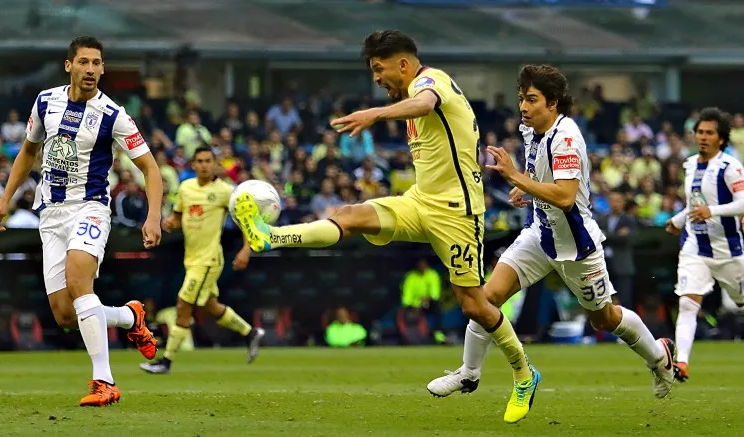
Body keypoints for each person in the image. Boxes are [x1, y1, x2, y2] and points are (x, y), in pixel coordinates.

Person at [231, 29, 524, 412]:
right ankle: (270, 236)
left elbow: (425, 103)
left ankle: (523, 373)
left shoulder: (430, 81)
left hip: (457, 212)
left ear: (402, 63)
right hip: (420, 200)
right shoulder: (414, 90)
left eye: (378, 68)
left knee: (474, 305)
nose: (376, 78)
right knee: (350, 216)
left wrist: (375, 114)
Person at [426, 65, 676, 423]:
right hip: (539, 234)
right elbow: (544, 179)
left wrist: (516, 178)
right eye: (521, 99)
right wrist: (526, 190)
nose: (523, 107)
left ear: (553, 102)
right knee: (485, 298)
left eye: (532, 99)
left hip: (575, 245)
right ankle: (469, 373)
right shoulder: (532, 129)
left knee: (604, 319)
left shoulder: (567, 137)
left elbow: (565, 197)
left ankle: (659, 357)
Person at [0, 36, 163, 407]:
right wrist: (4, 200)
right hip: (51, 214)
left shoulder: (113, 114)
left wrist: (153, 216)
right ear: (69, 66)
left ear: (103, 69)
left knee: (79, 282)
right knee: (66, 314)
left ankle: (104, 381)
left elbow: (150, 168)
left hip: (90, 208)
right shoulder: (45, 102)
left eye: (97, 63)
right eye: (83, 62)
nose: (90, 69)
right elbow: (28, 152)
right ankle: (129, 317)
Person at [140, 146, 265, 374]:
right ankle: (250, 333)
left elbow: (248, 221)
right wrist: (169, 224)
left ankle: (166, 361)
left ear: (215, 164)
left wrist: (246, 250)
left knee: (183, 305)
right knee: (210, 306)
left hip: (209, 259)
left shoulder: (226, 191)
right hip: (191, 258)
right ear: (193, 165)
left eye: (208, 161)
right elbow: (177, 218)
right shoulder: (185, 188)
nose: (204, 165)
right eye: (200, 161)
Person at [665, 107, 744, 382]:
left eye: (709, 132)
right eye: (700, 131)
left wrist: (713, 211)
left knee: (739, 303)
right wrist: (678, 220)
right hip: (695, 247)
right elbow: (694, 203)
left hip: (729, 250)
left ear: (721, 138)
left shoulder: (730, 167)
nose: (703, 137)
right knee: (688, 304)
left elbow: (742, 203)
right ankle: (681, 363)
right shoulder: (689, 165)